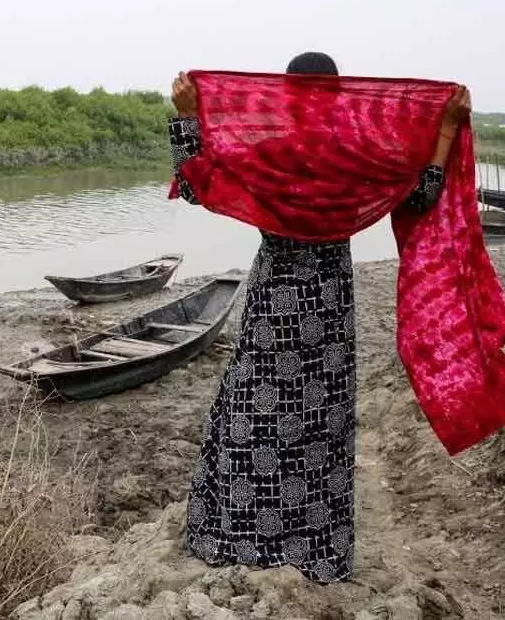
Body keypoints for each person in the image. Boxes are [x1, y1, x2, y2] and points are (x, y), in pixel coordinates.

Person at [169, 52, 470, 583]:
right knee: (319, 426)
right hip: (328, 312)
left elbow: (197, 184)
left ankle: (236, 535)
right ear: (338, 96)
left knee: (252, 415)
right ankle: (313, 549)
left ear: (286, 95)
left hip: (273, 305)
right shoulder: (356, 159)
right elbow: (422, 191)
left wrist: (188, 117)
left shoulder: (269, 154)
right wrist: (444, 129)